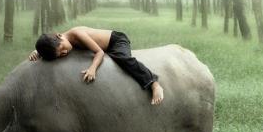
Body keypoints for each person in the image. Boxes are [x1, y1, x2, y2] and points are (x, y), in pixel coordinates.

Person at [28, 26, 164, 105]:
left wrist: (93, 68)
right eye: (60, 54)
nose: (64, 52)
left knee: (123, 59)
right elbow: (50, 43)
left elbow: (99, 52)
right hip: (105, 45)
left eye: (62, 48)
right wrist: (38, 52)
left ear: (59, 36)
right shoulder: (59, 41)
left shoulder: (77, 34)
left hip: (115, 41)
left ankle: (153, 83)